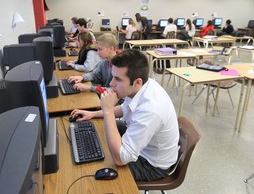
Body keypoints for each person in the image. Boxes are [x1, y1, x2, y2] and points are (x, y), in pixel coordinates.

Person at [70, 49, 179, 181]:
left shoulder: (151, 110)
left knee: (93, 176)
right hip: (144, 143)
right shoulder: (142, 85)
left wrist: (108, 111)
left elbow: (120, 159)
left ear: (137, 82)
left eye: (117, 79)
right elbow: (124, 108)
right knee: (98, 127)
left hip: (151, 165)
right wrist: (93, 114)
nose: (111, 84)